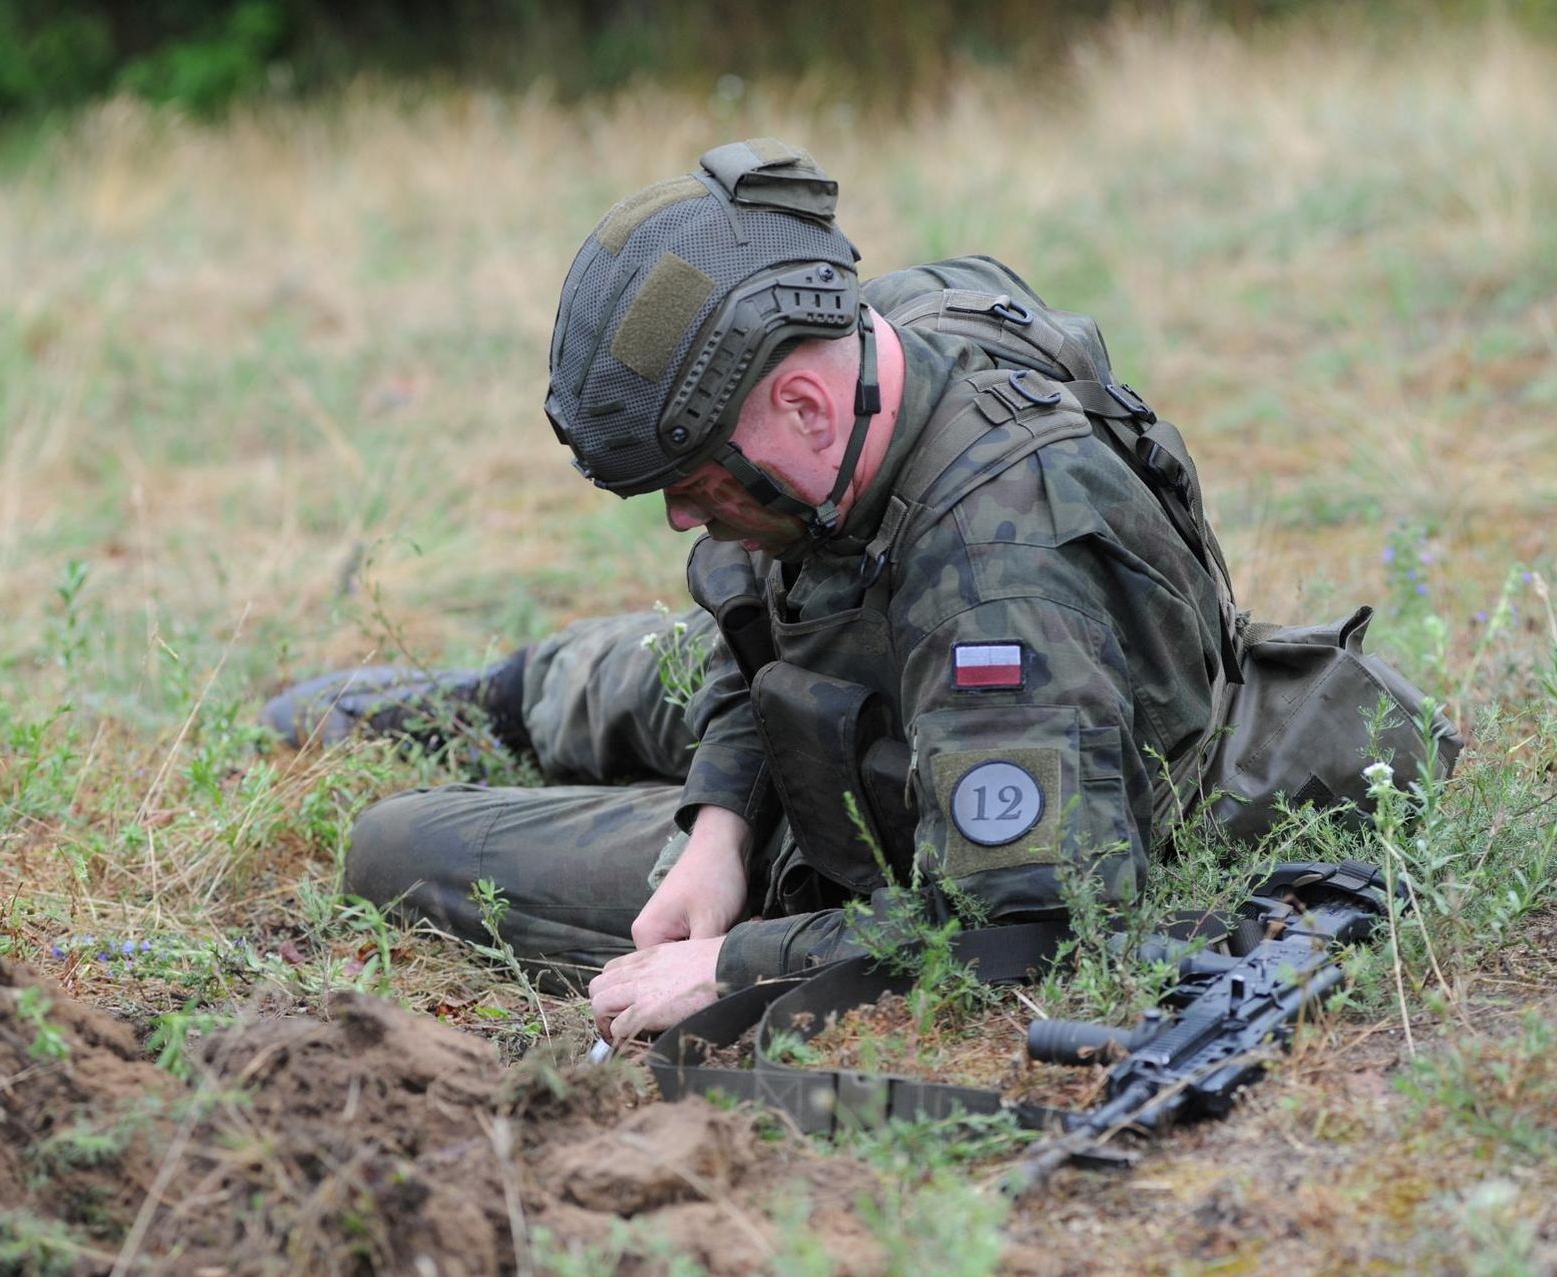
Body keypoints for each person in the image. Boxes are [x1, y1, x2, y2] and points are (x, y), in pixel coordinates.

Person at [265, 139, 1233, 1042]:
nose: (683, 518)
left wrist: (732, 960)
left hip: (921, 771)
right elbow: (760, 617)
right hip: (864, 683)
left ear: (805, 408)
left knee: (397, 848)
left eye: (699, 482)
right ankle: (504, 699)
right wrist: (716, 824)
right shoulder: (889, 339)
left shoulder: (998, 597)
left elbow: (1019, 925)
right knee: (660, 662)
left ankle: (529, 737)